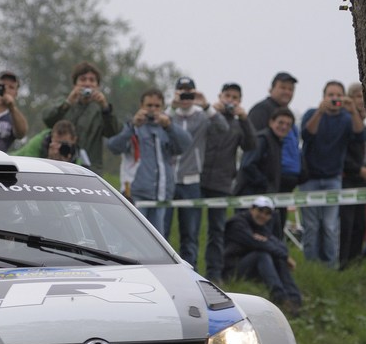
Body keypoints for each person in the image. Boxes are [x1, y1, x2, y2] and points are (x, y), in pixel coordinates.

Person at [107, 88, 193, 234]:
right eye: (149, 105)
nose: (153, 109)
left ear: (162, 108)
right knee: (133, 237)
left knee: (157, 241)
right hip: (136, 194)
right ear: (142, 106)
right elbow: (113, 146)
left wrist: (169, 126)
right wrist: (132, 126)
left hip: (160, 195)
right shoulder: (133, 127)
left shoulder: (167, 129)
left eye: (157, 106)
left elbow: (186, 144)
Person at [300, 81, 365, 267]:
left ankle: (330, 266)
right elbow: (306, 135)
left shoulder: (346, 118)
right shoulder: (311, 114)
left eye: (338, 95)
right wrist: (320, 112)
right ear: (323, 96)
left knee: (330, 226)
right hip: (309, 178)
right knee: (311, 226)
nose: (334, 98)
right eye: (330, 95)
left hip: (333, 178)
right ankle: (311, 266)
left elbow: (360, 136)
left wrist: (353, 111)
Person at [165, 77, 228, 266]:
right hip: (168, 182)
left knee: (190, 235)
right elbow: (156, 125)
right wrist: (172, 106)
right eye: (181, 91)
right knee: (161, 233)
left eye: (189, 91)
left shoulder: (201, 116)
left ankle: (191, 277)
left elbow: (223, 127)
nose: (185, 95)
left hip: (192, 182)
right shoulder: (170, 116)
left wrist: (206, 104)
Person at [200, 82, 256, 283]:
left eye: (235, 98)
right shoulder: (207, 116)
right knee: (191, 229)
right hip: (198, 178)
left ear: (240, 101)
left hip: (222, 183)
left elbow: (251, 145)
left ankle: (214, 274)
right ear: (220, 96)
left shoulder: (239, 124)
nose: (230, 100)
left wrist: (245, 119)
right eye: (227, 96)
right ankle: (188, 270)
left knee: (217, 231)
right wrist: (209, 110)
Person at [223, 195, 303, 315]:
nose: (263, 216)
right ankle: (279, 297)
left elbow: (280, 246)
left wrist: (269, 245)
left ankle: (295, 299)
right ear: (252, 209)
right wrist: (265, 244)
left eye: (267, 213)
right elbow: (255, 243)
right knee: (262, 254)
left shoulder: (260, 226)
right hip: (232, 270)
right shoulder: (237, 223)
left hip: (253, 268)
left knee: (278, 257)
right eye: (260, 210)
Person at [42, 61, 118, 173]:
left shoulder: (100, 110)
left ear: (97, 86)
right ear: (75, 84)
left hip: (90, 170)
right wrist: (67, 103)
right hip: (59, 166)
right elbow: (47, 119)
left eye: (92, 80)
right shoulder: (64, 103)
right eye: (83, 79)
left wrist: (105, 107)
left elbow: (113, 132)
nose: (87, 84)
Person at [339, 82, 366, 268]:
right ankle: (343, 262)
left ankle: (355, 262)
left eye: (364, 96)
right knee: (346, 224)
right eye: (357, 96)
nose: (361, 101)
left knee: (360, 224)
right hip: (347, 179)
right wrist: (357, 169)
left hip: (365, 181)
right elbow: (339, 154)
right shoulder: (344, 122)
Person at [13, 119, 90, 166]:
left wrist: (66, 164)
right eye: (57, 142)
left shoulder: (79, 154)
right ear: (51, 137)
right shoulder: (38, 143)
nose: (60, 147)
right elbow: (28, 167)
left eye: (64, 144)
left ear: (74, 140)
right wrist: (49, 160)